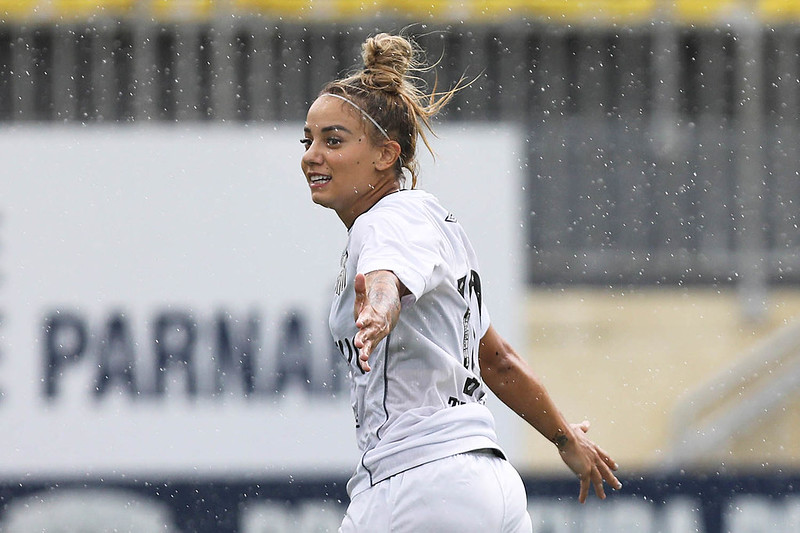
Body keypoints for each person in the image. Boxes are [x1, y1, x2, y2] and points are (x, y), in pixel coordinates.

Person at [300, 31, 622, 532]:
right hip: (487, 482)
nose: (312, 155)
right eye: (310, 140)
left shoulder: (388, 218)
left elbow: (387, 274)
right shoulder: (432, 222)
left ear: (387, 155)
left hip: (418, 483)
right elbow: (498, 361)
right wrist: (565, 439)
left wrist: (381, 304)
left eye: (333, 140)